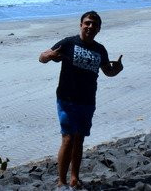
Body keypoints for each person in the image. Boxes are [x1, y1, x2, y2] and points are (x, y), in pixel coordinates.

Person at [39, 11, 123, 189]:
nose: (90, 26)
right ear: (81, 25)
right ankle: (61, 182)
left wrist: (118, 69)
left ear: (99, 29)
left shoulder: (100, 50)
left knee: (79, 140)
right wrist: (48, 56)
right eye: (87, 23)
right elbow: (42, 57)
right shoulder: (68, 43)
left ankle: (74, 178)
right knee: (68, 139)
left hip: (87, 101)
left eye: (94, 24)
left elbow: (108, 71)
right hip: (66, 99)